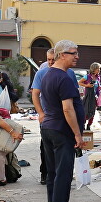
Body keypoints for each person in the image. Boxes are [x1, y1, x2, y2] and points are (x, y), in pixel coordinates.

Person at [38, 40, 85, 202]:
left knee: (52, 172)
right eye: (74, 53)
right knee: (63, 174)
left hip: (49, 128)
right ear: (62, 54)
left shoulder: (47, 74)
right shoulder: (63, 78)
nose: (77, 57)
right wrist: (77, 135)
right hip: (61, 130)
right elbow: (67, 108)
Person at [30, 48, 56, 185]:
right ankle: (44, 173)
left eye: (53, 59)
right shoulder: (42, 70)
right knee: (45, 146)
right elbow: (35, 94)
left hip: (60, 117)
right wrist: (40, 113)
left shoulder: (66, 71)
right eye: (49, 59)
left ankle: (57, 173)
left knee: (59, 147)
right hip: (46, 116)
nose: (51, 62)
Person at [79, 62, 101, 131]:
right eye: (98, 69)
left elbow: (97, 86)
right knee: (86, 111)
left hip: (95, 97)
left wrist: (99, 87)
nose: (99, 70)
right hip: (88, 97)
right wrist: (87, 85)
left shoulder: (98, 77)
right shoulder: (87, 76)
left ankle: (89, 125)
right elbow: (79, 82)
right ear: (94, 69)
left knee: (92, 112)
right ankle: (83, 124)